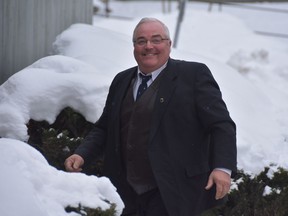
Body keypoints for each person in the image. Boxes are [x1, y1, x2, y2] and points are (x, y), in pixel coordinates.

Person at [64, 17, 237, 216]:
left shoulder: (193, 75)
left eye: (156, 40)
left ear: (169, 44)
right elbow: (105, 128)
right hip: (125, 192)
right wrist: (82, 154)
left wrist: (222, 168)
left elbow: (221, 125)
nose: (149, 46)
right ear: (134, 47)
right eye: (141, 41)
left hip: (174, 192)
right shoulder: (121, 80)